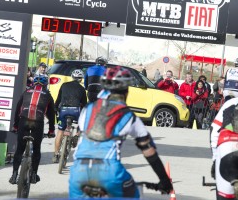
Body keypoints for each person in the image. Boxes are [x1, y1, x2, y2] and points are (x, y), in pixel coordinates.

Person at [69, 66, 173, 198]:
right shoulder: (128, 116)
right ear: (126, 90)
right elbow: (149, 152)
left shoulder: (87, 110)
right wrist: (164, 181)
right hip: (109, 172)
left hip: (78, 171)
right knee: (133, 194)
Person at [9, 76, 56, 185]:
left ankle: (14, 174)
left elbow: (17, 109)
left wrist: (15, 126)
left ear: (33, 84)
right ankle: (34, 174)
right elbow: (51, 114)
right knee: (36, 148)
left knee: (19, 149)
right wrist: (51, 131)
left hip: (24, 120)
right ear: (45, 85)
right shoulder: (48, 95)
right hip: (38, 123)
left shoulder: (26, 91)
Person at [53, 69, 87, 163]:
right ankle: (77, 134)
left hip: (64, 111)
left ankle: (56, 154)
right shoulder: (81, 89)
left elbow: (58, 99)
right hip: (76, 111)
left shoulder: (64, 85)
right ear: (80, 79)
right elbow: (85, 105)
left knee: (60, 131)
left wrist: (55, 108)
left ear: (72, 77)